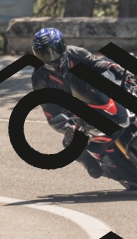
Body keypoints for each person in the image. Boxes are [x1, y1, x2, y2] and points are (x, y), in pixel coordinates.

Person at [30, 28, 127, 179]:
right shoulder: (39, 78)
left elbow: (97, 64)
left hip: (95, 94)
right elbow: (49, 109)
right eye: (44, 54)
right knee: (70, 142)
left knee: (128, 90)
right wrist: (67, 127)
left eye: (54, 51)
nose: (51, 57)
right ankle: (90, 163)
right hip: (73, 113)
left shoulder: (76, 53)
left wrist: (116, 69)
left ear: (62, 45)